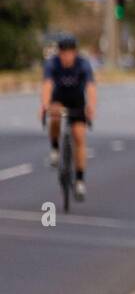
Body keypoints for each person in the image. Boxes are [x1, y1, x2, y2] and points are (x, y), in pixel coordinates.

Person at [39, 34, 97, 201]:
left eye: (70, 53)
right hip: (59, 99)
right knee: (55, 114)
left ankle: (79, 180)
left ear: (75, 53)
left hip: (77, 100)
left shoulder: (83, 64)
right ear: (59, 53)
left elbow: (90, 87)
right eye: (63, 53)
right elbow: (47, 85)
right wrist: (44, 105)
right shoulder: (52, 64)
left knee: (79, 136)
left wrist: (91, 106)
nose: (66, 56)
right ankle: (55, 148)